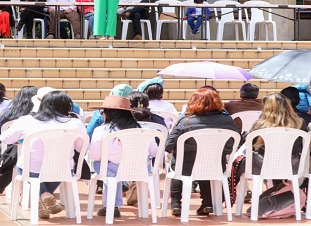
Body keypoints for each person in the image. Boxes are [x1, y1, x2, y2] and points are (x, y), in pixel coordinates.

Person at [0, 91, 86, 219]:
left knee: (24, 168)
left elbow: (5, 138)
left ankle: (43, 196)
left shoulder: (27, 120)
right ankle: (44, 196)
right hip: (63, 169)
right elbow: (83, 147)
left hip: (31, 169)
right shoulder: (76, 123)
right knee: (56, 169)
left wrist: (21, 137)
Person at [165, 88, 240, 217]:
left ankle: (176, 203)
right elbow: (236, 141)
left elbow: (168, 145)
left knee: (177, 163)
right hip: (216, 165)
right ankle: (208, 203)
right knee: (205, 162)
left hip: (186, 167)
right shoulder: (227, 120)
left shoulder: (186, 121)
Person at [89, 95, 154, 218]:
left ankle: (111, 205)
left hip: (112, 169)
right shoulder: (143, 130)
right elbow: (154, 152)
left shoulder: (101, 130)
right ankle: (116, 196)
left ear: (107, 114)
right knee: (112, 170)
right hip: (139, 170)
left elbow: (95, 156)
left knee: (104, 166)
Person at [0, 86, 38, 196]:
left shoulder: (8, 112)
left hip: (9, 148)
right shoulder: (41, 115)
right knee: (14, 154)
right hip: (35, 152)